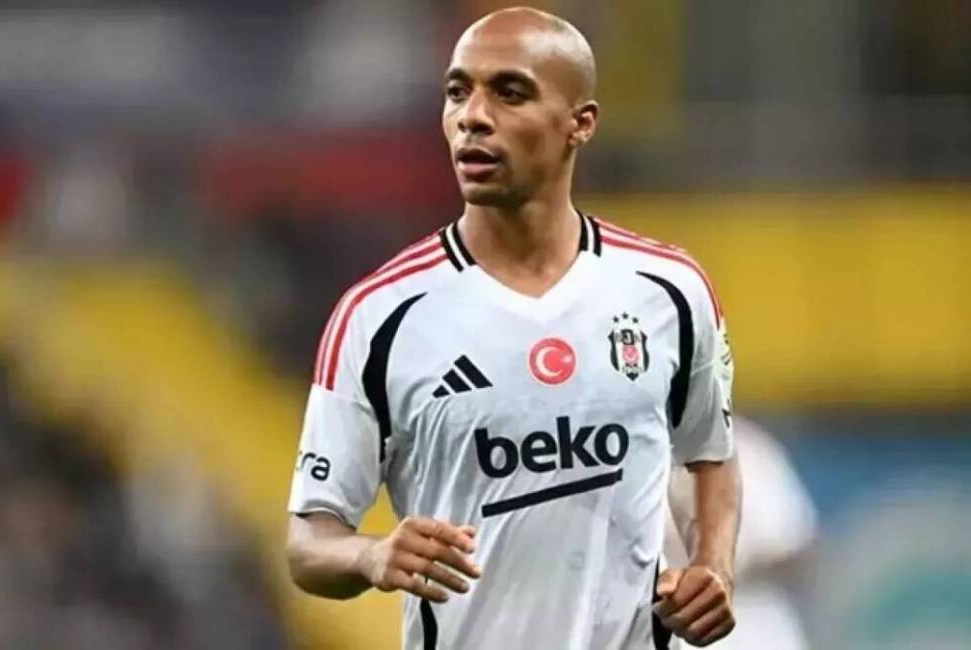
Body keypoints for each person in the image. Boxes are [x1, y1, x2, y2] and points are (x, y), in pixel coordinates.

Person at [285, 7, 740, 649]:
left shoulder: (669, 292)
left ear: (580, 123)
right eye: (457, 92)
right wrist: (372, 555)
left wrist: (713, 565)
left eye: (509, 92)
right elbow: (308, 543)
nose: (472, 115)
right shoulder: (379, 316)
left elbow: (708, 456)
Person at [664, 417, 816, 650]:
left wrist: (727, 565)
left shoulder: (750, 447)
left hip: (755, 622)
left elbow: (799, 547)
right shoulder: (634, 454)